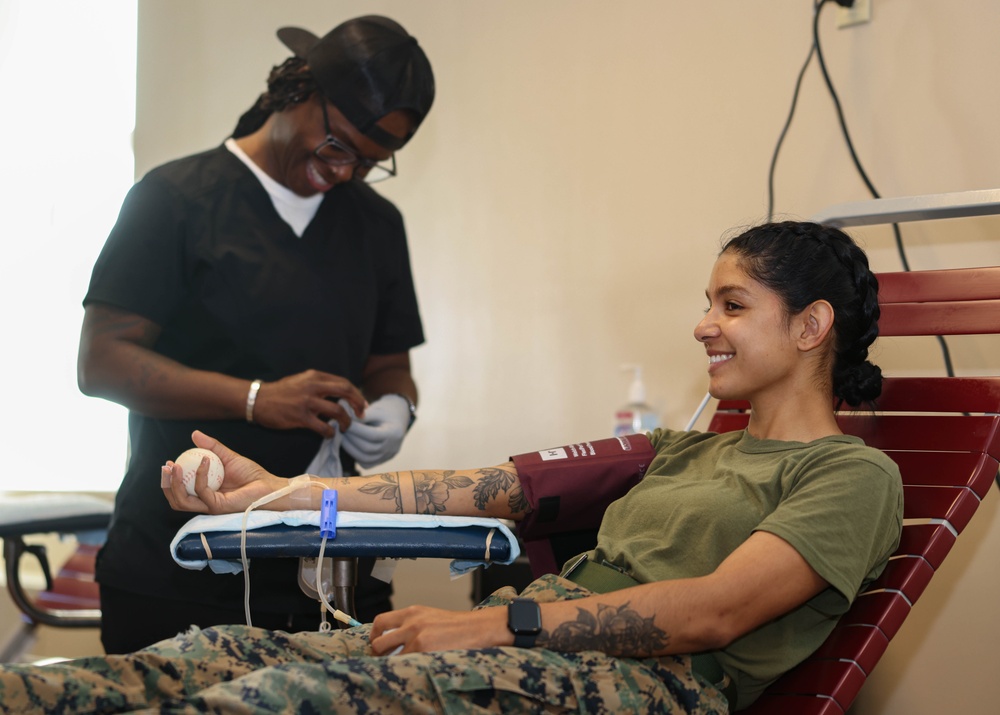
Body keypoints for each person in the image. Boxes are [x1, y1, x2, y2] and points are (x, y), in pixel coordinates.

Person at [6, 221, 902, 713]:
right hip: (534, 644)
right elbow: (474, 487)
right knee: (214, 653)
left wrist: (494, 626)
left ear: (812, 325)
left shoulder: (850, 478)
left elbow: (716, 611)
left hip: (646, 684)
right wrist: (277, 490)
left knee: (285, 698)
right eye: (706, 302)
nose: (703, 323)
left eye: (732, 303)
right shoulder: (685, 449)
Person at [75, 15, 435, 654]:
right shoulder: (175, 200)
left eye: (371, 162)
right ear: (295, 92)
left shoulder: (377, 225)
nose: (346, 172)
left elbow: (389, 364)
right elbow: (102, 361)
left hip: (331, 568)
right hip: (182, 565)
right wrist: (253, 398)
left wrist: (395, 408)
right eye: (337, 147)